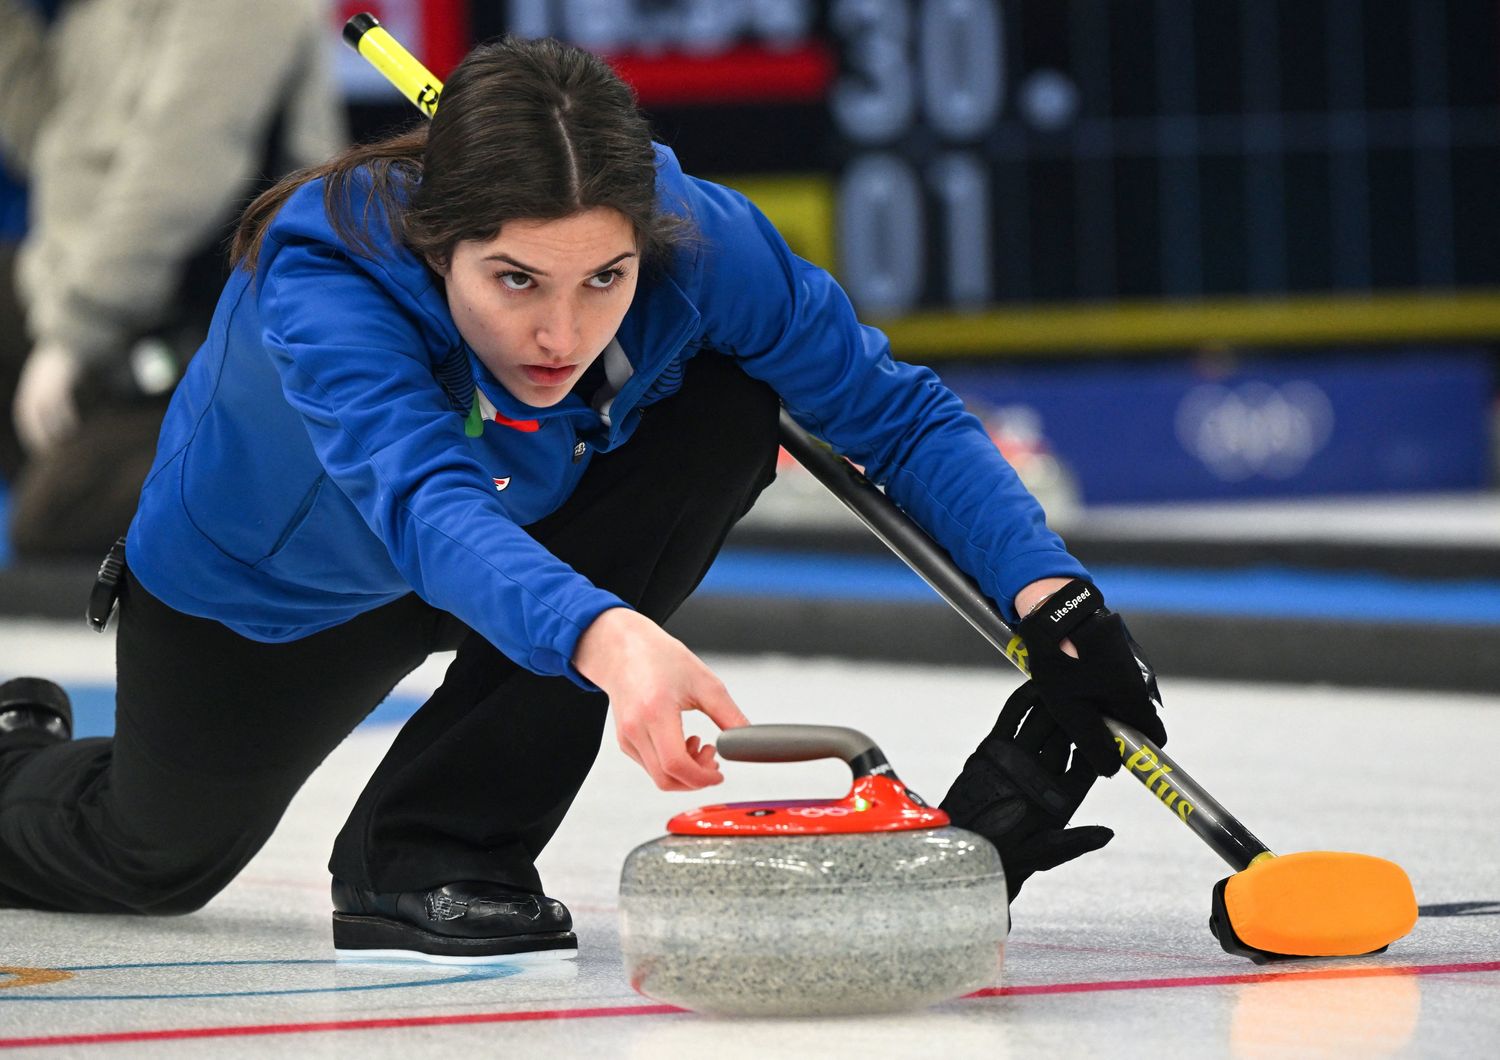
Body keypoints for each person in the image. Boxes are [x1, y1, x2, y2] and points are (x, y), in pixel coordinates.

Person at [0, 35, 1167, 963]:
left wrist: (1049, 592)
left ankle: (434, 852)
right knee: (149, 856)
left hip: (522, 527)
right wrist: (609, 635)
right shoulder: (325, 277)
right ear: (435, 240)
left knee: (727, 411)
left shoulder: (701, 236)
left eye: (604, 278)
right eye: (514, 280)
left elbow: (894, 415)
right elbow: (425, 507)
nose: (561, 332)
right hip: (278, 591)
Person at [0, 0, 344, 558]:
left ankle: (285, 493)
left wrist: (70, 334)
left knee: (50, 520)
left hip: (211, 342)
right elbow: (58, 147)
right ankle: (93, 459)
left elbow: (175, 184)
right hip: (109, 312)